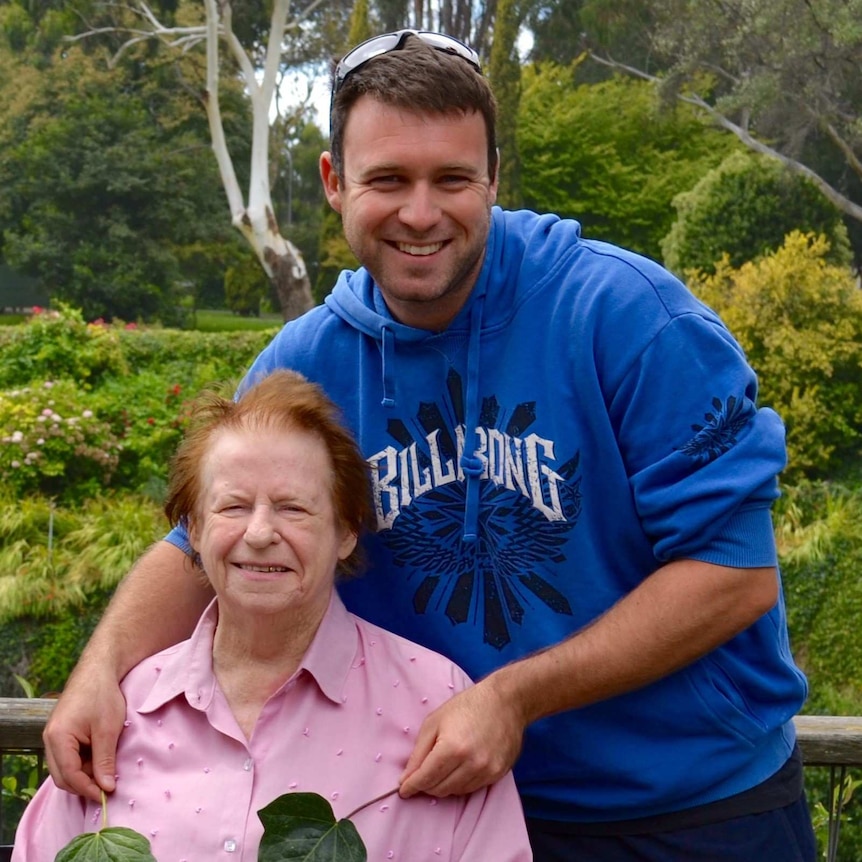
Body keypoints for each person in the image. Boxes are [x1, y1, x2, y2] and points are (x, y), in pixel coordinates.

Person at [42, 29, 817, 862]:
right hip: (440, 809)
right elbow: (201, 540)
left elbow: (732, 576)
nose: (420, 213)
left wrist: (514, 698)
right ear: (335, 184)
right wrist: (101, 671)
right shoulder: (308, 361)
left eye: (451, 178)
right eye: (388, 180)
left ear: (492, 179)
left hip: (696, 812)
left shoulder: (630, 319)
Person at [14, 370, 532, 861]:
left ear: (346, 531)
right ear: (192, 531)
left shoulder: (435, 705)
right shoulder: (119, 716)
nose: (260, 533)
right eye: (232, 506)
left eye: (294, 508)